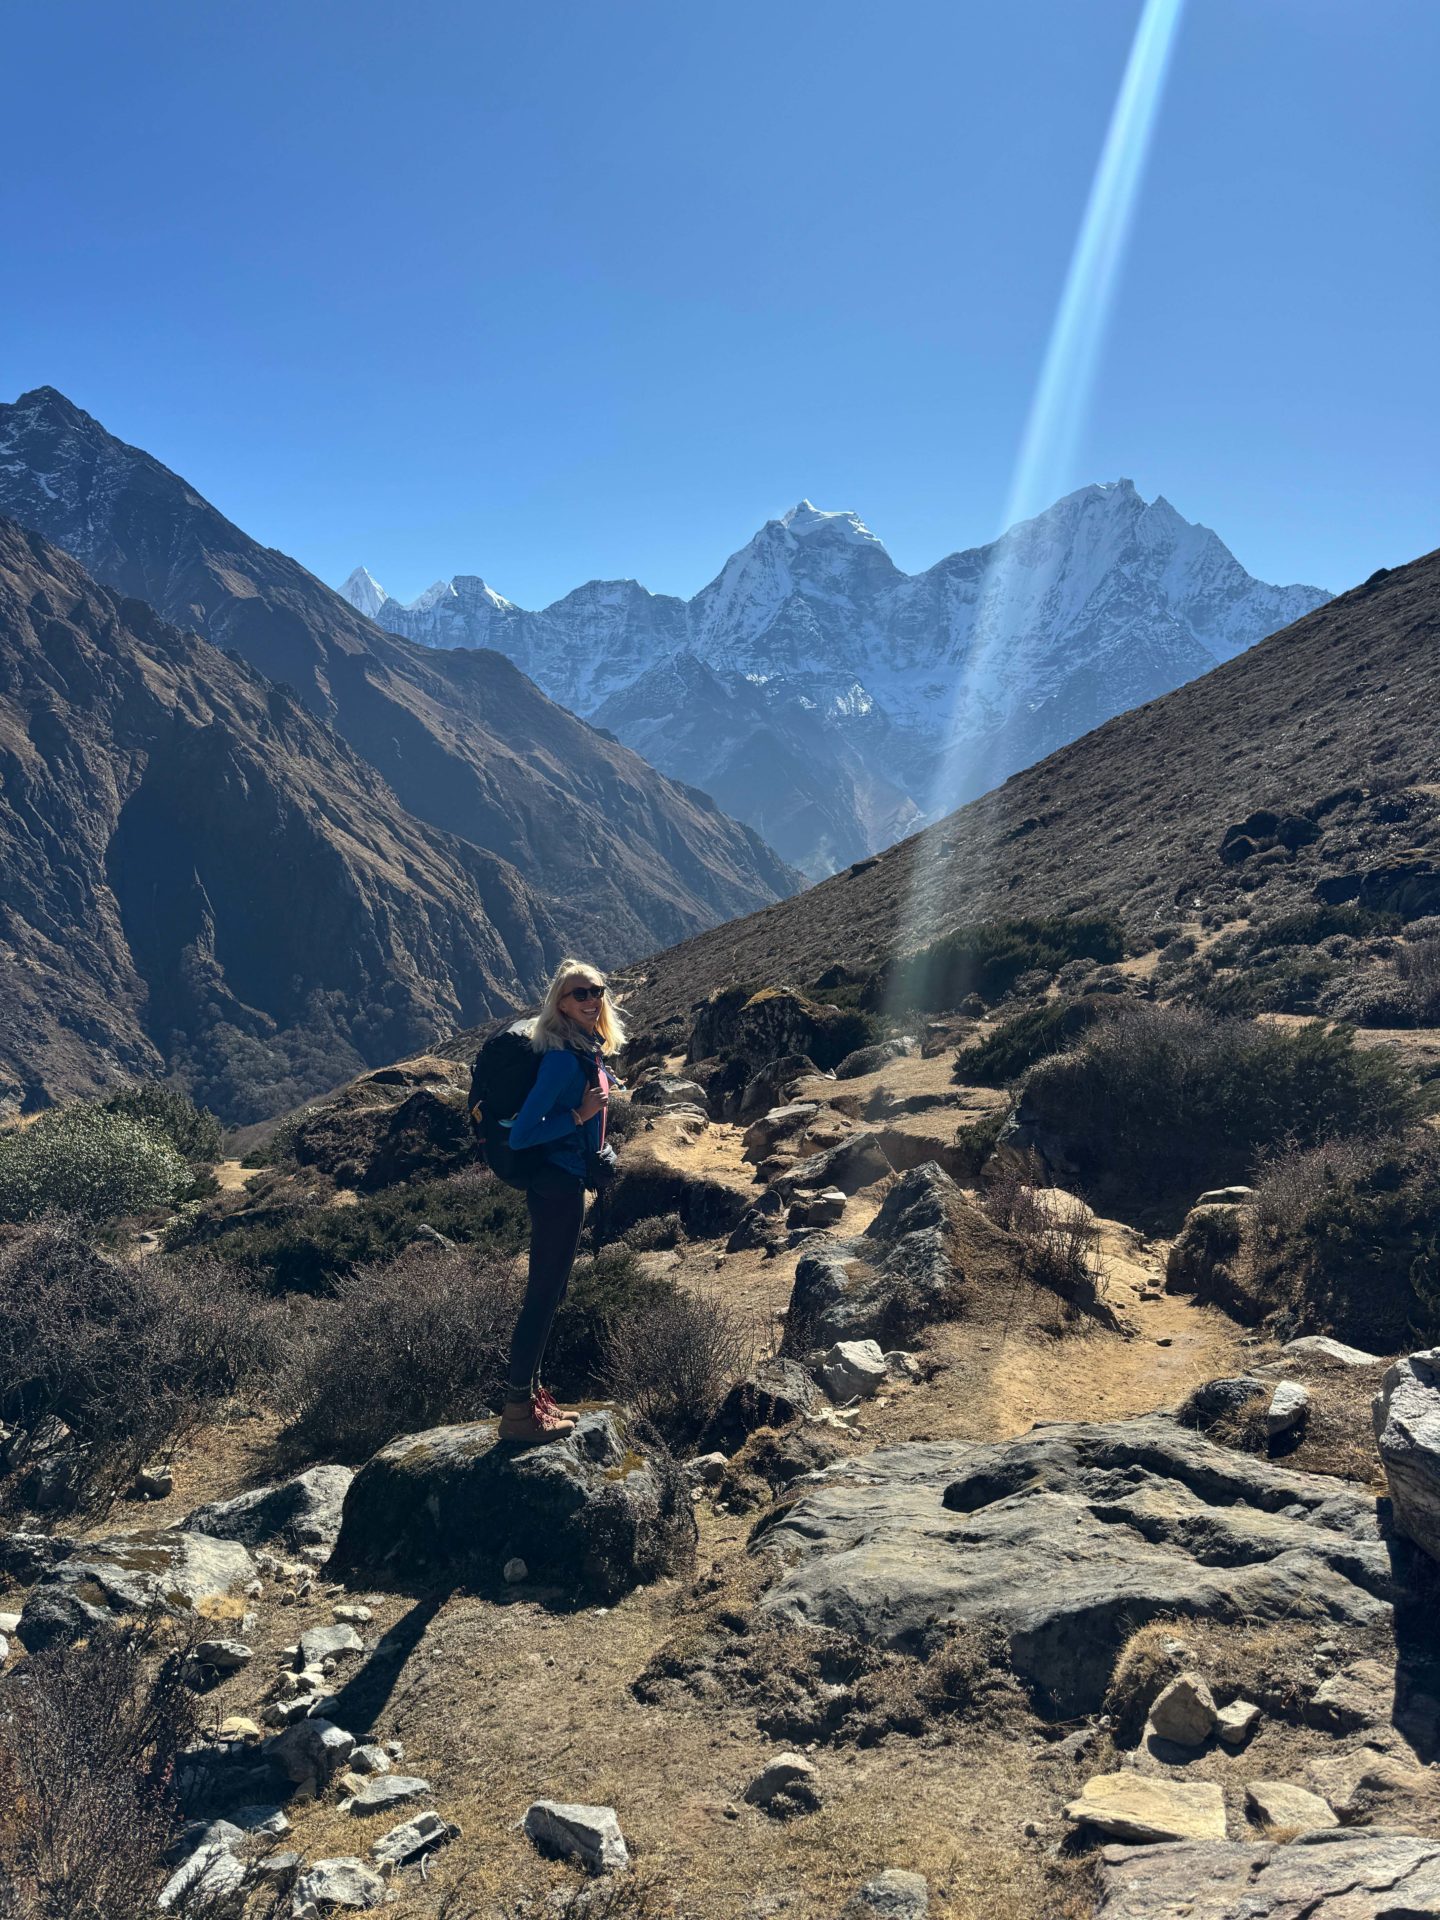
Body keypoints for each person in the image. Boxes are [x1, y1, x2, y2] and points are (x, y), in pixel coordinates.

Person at [498, 958, 626, 1444]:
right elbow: (522, 1134)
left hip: (567, 1182)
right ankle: (516, 1414)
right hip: (554, 1187)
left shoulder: (585, 1050)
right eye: (579, 994)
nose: (591, 1000)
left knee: (549, 1294)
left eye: (597, 991)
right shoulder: (558, 1059)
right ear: (559, 1003)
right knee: (542, 1296)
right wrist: (578, 1114)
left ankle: (530, 1399)